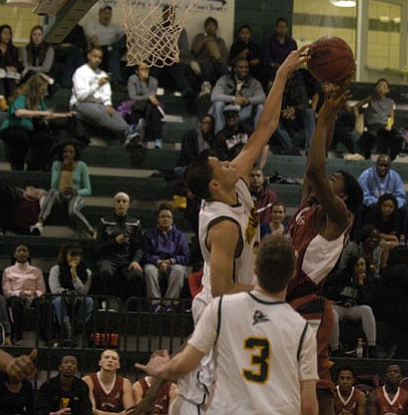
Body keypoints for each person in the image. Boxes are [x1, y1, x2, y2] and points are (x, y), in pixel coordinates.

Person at [178, 48, 308, 412]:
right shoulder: (222, 227)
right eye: (220, 164)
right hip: (219, 306)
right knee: (210, 392)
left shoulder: (231, 179)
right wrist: (265, 288)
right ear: (215, 187)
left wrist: (281, 74)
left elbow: (265, 128)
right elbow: (220, 290)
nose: (227, 161)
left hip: (245, 297)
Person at [132, 235, 319, 415]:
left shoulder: (222, 307)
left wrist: (164, 368)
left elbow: (185, 363)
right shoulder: (302, 329)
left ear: (255, 268)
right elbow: (309, 404)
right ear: (293, 274)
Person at [286, 80, 364, 414]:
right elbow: (314, 167)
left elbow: (316, 170)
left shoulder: (339, 217)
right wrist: (328, 115)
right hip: (287, 300)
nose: (326, 180)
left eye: (334, 183)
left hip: (309, 304)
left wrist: (320, 120)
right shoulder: (308, 206)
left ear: (342, 197)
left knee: (311, 380)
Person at [0, 73, 73, 171]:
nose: (43, 92)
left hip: (28, 130)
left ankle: (33, 169)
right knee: (22, 138)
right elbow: (19, 112)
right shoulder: (22, 97)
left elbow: (47, 114)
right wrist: (38, 113)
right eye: (42, 89)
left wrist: (65, 115)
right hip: (13, 127)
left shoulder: (39, 101)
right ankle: (18, 168)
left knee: (45, 140)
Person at [70, 47, 139, 147]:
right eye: (95, 56)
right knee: (98, 113)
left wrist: (107, 104)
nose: (97, 60)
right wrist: (97, 85)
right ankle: (128, 130)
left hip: (98, 104)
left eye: (100, 58)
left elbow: (106, 93)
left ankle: (128, 137)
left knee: (114, 113)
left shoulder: (102, 74)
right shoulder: (80, 72)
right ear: (89, 56)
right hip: (80, 104)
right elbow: (81, 96)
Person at [31, 141, 95, 237]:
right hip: (60, 193)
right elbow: (53, 185)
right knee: (52, 192)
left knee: (72, 211)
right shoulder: (56, 164)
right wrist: (62, 169)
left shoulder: (82, 166)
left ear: (75, 153)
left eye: (71, 151)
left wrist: (75, 191)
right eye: (65, 151)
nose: (67, 154)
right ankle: (40, 223)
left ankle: (90, 230)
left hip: (75, 195)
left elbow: (88, 189)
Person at [95, 192, 144, 301]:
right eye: (118, 201)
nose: (121, 204)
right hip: (108, 258)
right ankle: (104, 304)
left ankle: (131, 308)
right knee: (105, 272)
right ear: (114, 204)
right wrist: (115, 241)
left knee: (137, 275)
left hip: (127, 260)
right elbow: (98, 247)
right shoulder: (104, 221)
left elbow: (139, 247)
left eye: (124, 201)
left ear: (128, 204)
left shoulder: (135, 223)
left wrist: (135, 261)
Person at [325, 256, 377, 358]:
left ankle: (372, 346)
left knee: (366, 309)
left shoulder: (369, 280)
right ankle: (335, 348)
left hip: (353, 308)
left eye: (362, 264)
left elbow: (366, 300)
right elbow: (329, 291)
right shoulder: (341, 276)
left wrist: (361, 285)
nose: (360, 267)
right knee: (332, 314)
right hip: (338, 306)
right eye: (357, 265)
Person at [142, 203, 190, 313]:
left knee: (179, 270)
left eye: (168, 217)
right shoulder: (149, 233)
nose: (165, 219)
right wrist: (158, 262)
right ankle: (155, 303)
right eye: (163, 216)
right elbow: (146, 253)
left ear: (172, 220)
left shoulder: (179, 236)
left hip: (173, 263)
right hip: (155, 263)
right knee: (149, 270)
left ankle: (170, 303)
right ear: (157, 219)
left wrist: (170, 261)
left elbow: (186, 256)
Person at [48, 244, 94, 347]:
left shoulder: (87, 272)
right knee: (59, 301)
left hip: (78, 298)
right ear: (65, 256)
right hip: (62, 296)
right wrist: (67, 293)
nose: (75, 258)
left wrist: (74, 274)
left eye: (77, 256)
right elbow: (55, 289)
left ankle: (78, 328)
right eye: (72, 255)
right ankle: (67, 331)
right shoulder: (56, 269)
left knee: (89, 301)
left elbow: (83, 291)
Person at [2, 244, 46, 344]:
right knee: (16, 303)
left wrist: (33, 295)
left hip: (33, 297)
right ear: (14, 255)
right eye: (19, 251)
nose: (22, 253)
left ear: (28, 254)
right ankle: (16, 337)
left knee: (45, 304)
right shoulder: (8, 271)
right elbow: (7, 291)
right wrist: (18, 293)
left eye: (24, 251)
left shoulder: (36, 271)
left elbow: (41, 289)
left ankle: (47, 338)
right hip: (16, 297)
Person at [210, 58, 266, 132]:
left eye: (246, 67)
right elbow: (214, 96)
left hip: (243, 112)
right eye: (241, 67)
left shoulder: (254, 82)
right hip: (227, 111)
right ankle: (221, 137)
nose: (244, 70)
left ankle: (258, 139)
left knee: (260, 107)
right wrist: (233, 99)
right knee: (218, 104)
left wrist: (248, 101)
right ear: (234, 69)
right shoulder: (224, 79)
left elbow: (263, 98)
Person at [355, 79, 403, 161]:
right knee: (369, 138)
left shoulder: (389, 102)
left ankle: (391, 158)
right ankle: (367, 158)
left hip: (384, 127)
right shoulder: (370, 99)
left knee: (397, 137)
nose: (381, 88)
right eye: (379, 86)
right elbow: (356, 107)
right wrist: (358, 118)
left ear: (387, 90)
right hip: (372, 126)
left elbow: (391, 116)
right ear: (376, 88)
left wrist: (389, 125)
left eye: (384, 87)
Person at [83, 6, 126, 86]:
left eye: (109, 14)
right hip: (97, 48)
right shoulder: (92, 24)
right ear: (99, 14)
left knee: (116, 51)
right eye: (104, 13)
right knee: (113, 52)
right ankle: (115, 79)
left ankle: (115, 80)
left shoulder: (114, 27)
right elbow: (94, 39)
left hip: (110, 48)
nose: (106, 16)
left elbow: (126, 36)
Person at [313, 81, 358, 158]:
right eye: (323, 84)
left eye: (327, 84)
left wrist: (343, 100)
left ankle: (355, 153)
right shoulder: (317, 95)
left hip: (334, 122)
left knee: (344, 134)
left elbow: (349, 111)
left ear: (333, 86)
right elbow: (313, 111)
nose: (325, 86)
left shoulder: (337, 96)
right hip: (321, 121)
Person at [275, 70, 316, 155]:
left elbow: (305, 103)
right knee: (273, 123)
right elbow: (271, 107)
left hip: (297, 116)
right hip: (281, 116)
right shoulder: (274, 86)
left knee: (309, 112)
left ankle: (310, 149)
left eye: (290, 72)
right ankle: (291, 149)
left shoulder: (298, 85)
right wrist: (284, 112)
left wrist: (294, 109)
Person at [125, 63, 164, 149]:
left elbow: (152, 98)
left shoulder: (153, 81)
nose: (145, 71)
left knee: (154, 110)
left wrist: (143, 84)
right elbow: (132, 96)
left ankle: (158, 140)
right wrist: (143, 84)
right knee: (139, 105)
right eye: (142, 69)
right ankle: (133, 130)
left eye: (147, 69)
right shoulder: (132, 79)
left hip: (148, 107)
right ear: (137, 71)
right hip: (133, 106)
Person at [83, 349, 134, 415]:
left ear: (118, 365)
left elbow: (129, 411)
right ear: (100, 362)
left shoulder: (125, 382)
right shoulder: (88, 380)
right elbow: (91, 410)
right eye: (106, 357)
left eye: (114, 358)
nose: (110, 360)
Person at [191, 17, 229, 87]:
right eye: (208, 25)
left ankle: (226, 87)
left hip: (217, 62)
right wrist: (202, 42)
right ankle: (206, 87)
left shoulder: (220, 41)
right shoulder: (199, 37)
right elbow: (194, 52)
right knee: (207, 65)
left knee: (223, 67)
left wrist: (218, 59)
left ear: (216, 27)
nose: (210, 27)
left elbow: (225, 57)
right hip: (203, 62)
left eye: (212, 25)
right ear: (205, 27)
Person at [264, 18, 298, 82]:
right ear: (276, 28)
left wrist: (290, 68)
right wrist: (276, 65)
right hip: (274, 68)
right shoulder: (270, 41)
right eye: (280, 27)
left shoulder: (292, 42)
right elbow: (266, 57)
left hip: (288, 68)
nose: (282, 29)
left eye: (284, 27)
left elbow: (295, 58)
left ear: (287, 28)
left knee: (298, 75)